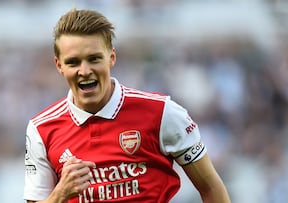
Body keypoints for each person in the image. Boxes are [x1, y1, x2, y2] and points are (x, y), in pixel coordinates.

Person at [24, 8, 231, 203]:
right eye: (73, 62)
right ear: (59, 65)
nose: (84, 70)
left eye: (94, 59)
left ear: (111, 58)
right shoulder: (41, 129)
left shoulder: (162, 113)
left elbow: (211, 188)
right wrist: (60, 194)